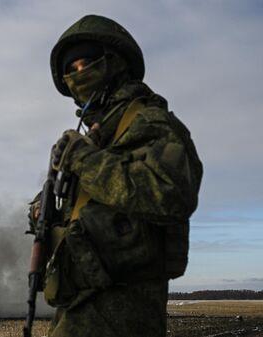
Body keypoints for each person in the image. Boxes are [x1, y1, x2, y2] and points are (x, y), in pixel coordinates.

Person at [28, 14, 203, 337]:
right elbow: (88, 211)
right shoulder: (99, 133)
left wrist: (84, 159)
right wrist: (43, 209)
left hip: (122, 315)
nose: (80, 74)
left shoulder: (148, 121)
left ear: (116, 64)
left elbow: (171, 193)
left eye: (88, 63)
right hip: (78, 309)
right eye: (72, 69)